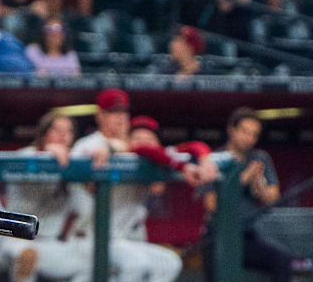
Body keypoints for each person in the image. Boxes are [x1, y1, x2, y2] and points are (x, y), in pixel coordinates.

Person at [70, 89, 184, 282]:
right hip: (95, 236)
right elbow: (88, 180)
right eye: (113, 112)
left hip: (130, 237)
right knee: (135, 265)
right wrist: (111, 149)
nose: (120, 118)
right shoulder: (87, 144)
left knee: (170, 263)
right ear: (100, 115)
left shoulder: (136, 145)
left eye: (124, 112)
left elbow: (161, 174)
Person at [1, 112, 95, 282]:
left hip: (50, 242)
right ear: (44, 134)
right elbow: (26, 159)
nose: (62, 135)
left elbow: (83, 210)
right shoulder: (26, 154)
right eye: (56, 130)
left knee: (90, 264)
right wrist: (47, 154)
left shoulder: (72, 164)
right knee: (28, 255)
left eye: (68, 131)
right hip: (15, 240)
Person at [202, 107, 293, 282]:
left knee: (281, 260)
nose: (249, 138)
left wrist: (259, 185)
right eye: (244, 131)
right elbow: (211, 204)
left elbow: (273, 197)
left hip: (246, 235)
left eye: (254, 134)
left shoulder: (259, 158)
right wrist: (242, 179)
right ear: (231, 129)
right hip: (219, 236)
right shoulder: (215, 159)